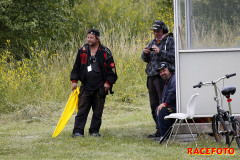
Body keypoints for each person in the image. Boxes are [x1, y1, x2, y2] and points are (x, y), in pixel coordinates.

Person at [70, 29, 117, 137]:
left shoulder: (105, 52)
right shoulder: (82, 51)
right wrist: (74, 81)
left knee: (97, 112)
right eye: (88, 37)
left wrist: (108, 83)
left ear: (97, 39)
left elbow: (112, 71)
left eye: (91, 38)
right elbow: (76, 67)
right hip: (85, 86)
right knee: (82, 110)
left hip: (100, 87)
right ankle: (78, 131)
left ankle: (94, 131)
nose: (89, 40)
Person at [141, 20, 175, 138]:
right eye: (154, 31)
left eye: (158, 31)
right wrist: (145, 53)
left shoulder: (170, 41)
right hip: (151, 77)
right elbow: (145, 59)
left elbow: (175, 57)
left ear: (163, 30)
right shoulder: (153, 42)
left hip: (162, 78)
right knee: (153, 105)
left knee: (162, 104)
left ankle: (164, 130)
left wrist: (161, 52)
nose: (156, 33)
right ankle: (158, 129)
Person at [156, 62, 176, 140]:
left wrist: (165, 104)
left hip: (177, 107)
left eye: (164, 71)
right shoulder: (168, 81)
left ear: (170, 70)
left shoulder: (173, 79)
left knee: (162, 111)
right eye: (160, 72)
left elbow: (173, 92)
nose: (162, 73)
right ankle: (163, 134)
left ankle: (164, 137)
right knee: (158, 108)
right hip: (172, 107)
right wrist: (162, 105)